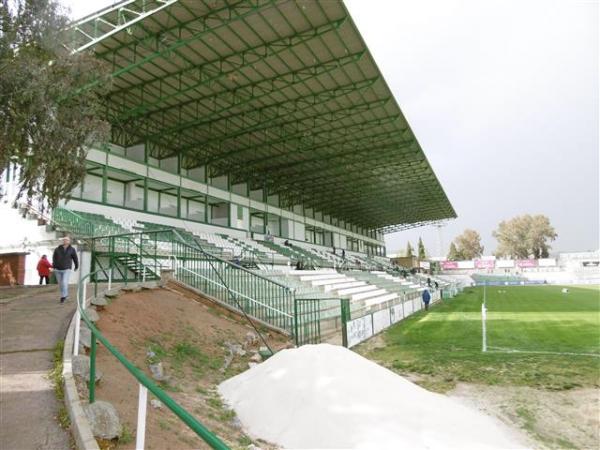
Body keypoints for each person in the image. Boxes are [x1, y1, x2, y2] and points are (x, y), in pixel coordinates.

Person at [52, 236, 78, 303]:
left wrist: (76, 266)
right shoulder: (57, 249)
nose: (65, 241)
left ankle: (63, 297)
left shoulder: (72, 249)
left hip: (67, 269)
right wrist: (54, 266)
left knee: (64, 282)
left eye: (67, 240)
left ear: (69, 241)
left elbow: (75, 258)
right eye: (64, 240)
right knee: (61, 284)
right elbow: (54, 258)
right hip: (57, 269)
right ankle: (65, 295)